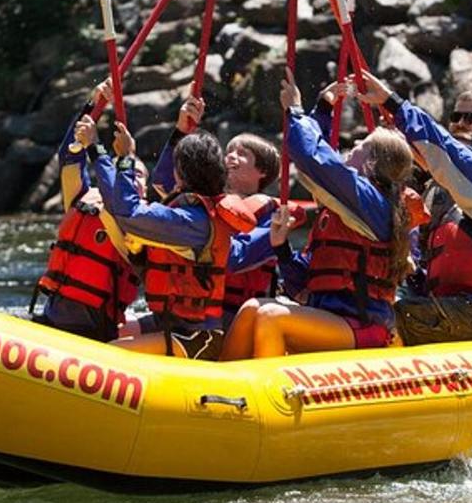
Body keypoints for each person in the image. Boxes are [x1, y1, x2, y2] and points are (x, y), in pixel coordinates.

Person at [219, 70, 414, 360]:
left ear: (372, 164)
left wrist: (296, 111)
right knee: (252, 308)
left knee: (271, 315)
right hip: (330, 318)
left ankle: (272, 395)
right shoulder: (344, 211)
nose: (349, 151)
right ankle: (224, 383)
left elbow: (315, 160)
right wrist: (282, 248)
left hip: (363, 326)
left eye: (359, 148)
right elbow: (303, 283)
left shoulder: (373, 203)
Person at [358, 70, 472, 343]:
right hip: (446, 304)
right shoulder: (435, 189)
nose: (461, 124)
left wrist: (393, 103)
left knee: (388, 316)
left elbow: (449, 156)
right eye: (456, 117)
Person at [74, 114, 254, 360]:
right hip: (171, 325)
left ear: (183, 173)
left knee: (107, 357)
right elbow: (119, 205)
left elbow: (128, 212)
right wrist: (96, 149)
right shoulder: (190, 214)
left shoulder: (192, 222)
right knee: (110, 337)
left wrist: (126, 158)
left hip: (195, 337)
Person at [152, 92, 299, 328]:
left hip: (234, 320)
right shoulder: (206, 201)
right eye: (229, 151)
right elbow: (162, 183)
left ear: (262, 171)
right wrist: (181, 131)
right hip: (192, 313)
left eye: (243, 154)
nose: (230, 156)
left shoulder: (270, 217)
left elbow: (234, 257)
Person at [30, 80, 143, 342]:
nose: (133, 177)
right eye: (128, 171)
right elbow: (70, 156)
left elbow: (121, 204)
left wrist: (109, 150)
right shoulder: (83, 198)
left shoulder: (141, 224)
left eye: (139, 175)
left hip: (93, 333)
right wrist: (95, 104)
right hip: (53, 318)